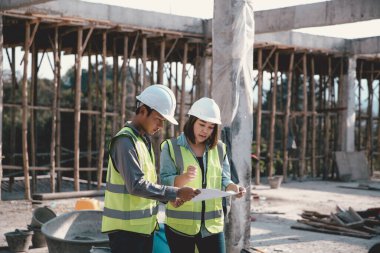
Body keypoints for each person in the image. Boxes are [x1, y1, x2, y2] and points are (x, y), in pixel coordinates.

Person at [101, 84, 200, 253]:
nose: (160, 126)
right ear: (143, 111)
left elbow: (147, 186)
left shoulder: (142, 141)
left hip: (142, 229)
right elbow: (136, 185)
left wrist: (167, 198)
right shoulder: (125, 141)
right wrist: (175, 192)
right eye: (158, 119)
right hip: (126, 234)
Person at [160, 97, 246, 253]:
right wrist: (184, 177)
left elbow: (224, 178)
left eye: (211, 127)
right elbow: (164, 183)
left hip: (212, 227)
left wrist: (233, 187)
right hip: (180, 226)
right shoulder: (171, 147)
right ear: (192, 121)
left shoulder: (220, 149)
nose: (205, 131)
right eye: (201, 124)